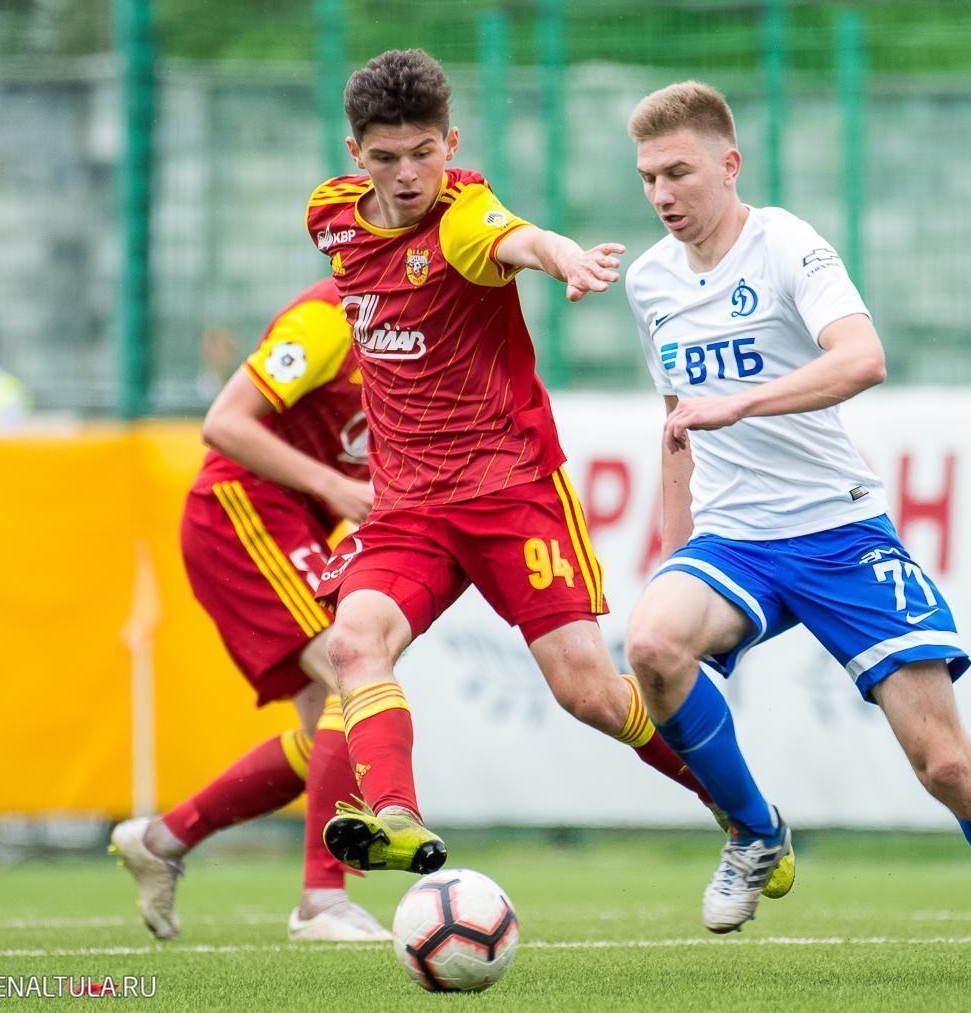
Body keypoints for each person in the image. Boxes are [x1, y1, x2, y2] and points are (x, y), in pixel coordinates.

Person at [620, 81, 971, 982]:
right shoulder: (650, 281)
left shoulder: (787, 244)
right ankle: (754, 830)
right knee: (651, 643)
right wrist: (676, 546)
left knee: (947, 765)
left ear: (730, 164)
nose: (661, 193)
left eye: (678, 172)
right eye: (648, 177)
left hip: (839, 533)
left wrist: (742, 403)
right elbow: (677, 422)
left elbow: (863, 358)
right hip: (734, 539)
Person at [305, 49, 721, 875]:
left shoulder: (463, 216)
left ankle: (735, 802)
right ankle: (396, 815)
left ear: (450, 143)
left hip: (508, 490)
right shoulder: (330, 216)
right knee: (353, 644)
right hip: (408, 507)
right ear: (355, 155)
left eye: (424, 152)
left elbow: (518, 240)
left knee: (588, 691)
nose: (408, 174)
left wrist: (567, 259)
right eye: (386, 157)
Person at [111, 277, 388, 943]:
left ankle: (163, 839)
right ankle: (322, 900)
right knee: (355, 678)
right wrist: (333, 485)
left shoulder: (424, 329)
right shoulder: (329, 317)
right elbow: (223, 423)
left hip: (294, 525)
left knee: (325, 728)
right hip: (243, 511)